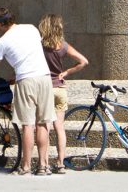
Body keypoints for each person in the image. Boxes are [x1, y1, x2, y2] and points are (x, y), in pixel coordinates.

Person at [0, 7, 56, 176]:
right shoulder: (31, 29)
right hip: (44, 78)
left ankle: (26, 166)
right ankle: (43, 165)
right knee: (43, 124)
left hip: (25, 80)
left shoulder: (2, 42)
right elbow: (30, 53)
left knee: (27, 125)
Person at [38, 14, 89, 174]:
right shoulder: (63, 46)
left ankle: (43, 164)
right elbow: (83, 61)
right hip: (60, 89)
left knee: (44, 126)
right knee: (59, 127)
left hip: (45, 88)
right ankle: (60, 163)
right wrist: (66, 72)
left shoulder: (39, 45)